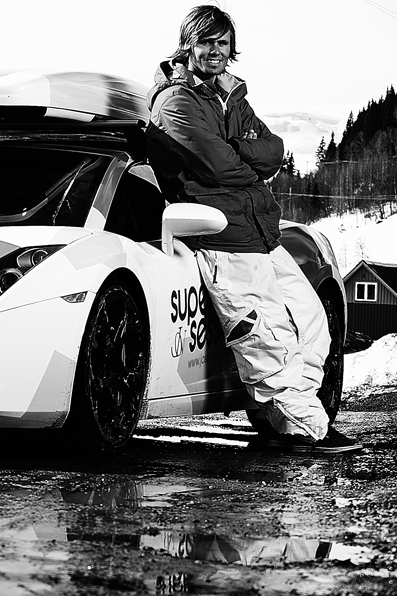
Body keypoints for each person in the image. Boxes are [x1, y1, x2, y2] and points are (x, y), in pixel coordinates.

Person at [145, 5, 359, 453]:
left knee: (311, 323)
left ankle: (286, 416)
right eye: (206, 42)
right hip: (221, 235)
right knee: (265, 337)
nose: (216, 51)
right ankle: (304, 429)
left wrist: (240, 152)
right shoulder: (175, 101)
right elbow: (218, 167)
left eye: (223, 43)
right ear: (187, 46)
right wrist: (247, 160)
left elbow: (273, 151)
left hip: (261, 233)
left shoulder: (230, 95)